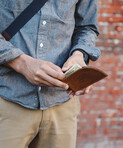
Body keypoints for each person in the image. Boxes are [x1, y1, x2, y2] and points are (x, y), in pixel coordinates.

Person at [0, 0, 100, 147]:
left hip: (62, 104)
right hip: (8, 99)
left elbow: (87, 27)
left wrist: (79, 54)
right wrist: (20, 62)